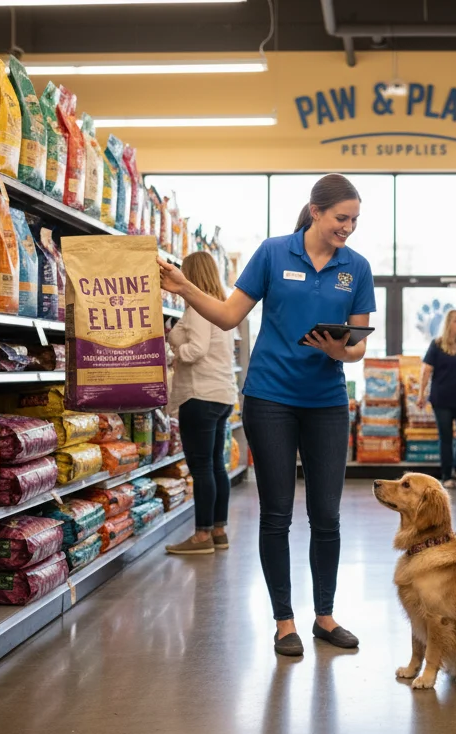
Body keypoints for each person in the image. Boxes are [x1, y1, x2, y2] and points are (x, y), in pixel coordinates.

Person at [157, 174, 376, 658]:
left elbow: (359, 347)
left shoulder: (355, 268)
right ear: (315, 211)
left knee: (327, 516)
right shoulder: (274, 253)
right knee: (276, 514)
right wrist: (183, 288)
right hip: (270, 399)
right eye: (342, 218)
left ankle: (324, 616)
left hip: (326, 403)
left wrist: (341, 350)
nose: (349, 228)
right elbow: (229, 315)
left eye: (355, 220)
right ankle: (284, 622)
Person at [164, 252, 238, 556]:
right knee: (216, 466)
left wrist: (173, 352)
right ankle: (218, 531)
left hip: (200, 395)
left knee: (202, 467)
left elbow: (195, 350)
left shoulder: (197, 307)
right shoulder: (220, 307)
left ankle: (201, 536)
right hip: (221, 395)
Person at [415, 309, 456, 489]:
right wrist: (421, 394)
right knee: (446, 439)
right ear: (449, 324)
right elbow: (426, 371)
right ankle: (446, 475)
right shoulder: (437, 344)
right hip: (441, 399)